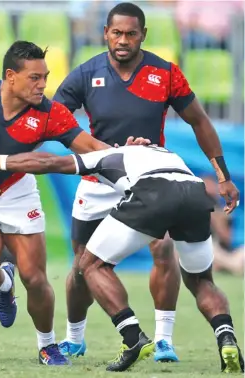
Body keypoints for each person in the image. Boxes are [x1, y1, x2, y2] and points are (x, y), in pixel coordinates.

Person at [0, 40, 147, 365]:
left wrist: (128, 154)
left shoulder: (47, 112)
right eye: (34, 78)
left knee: (34, 277)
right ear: (10, 76)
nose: (43, 85)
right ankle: (4, 285)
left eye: (45, 77)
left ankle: (47, 345)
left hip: (18, 194)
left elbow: (89, 146)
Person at [52, 2, 241, 361]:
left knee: (164, 250)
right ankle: (74, 337)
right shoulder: (85, 73)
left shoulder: (166, 73)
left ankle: (164, 340)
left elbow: (200, 121)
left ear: (143, 35)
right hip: (98, 181)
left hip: (150, 180)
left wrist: (222, 174)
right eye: (116, 33)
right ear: (105, 33)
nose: (123, 40)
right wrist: (99, 152)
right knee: (81, 268)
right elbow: (57, 121)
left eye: (131, 34)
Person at [0, 144, 243, 373]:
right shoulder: (163, 150)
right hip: (194, 192)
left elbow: (51, 162)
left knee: (90, 264)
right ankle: (226, 337)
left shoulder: (108, 155)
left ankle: (133, 337)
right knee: (201, 280)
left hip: (154, 191)